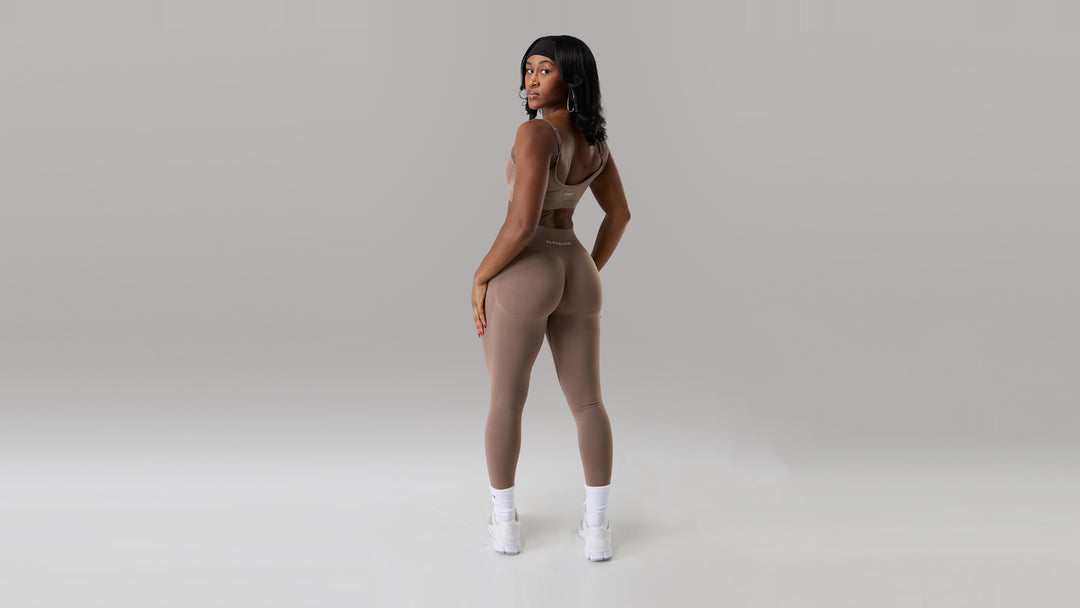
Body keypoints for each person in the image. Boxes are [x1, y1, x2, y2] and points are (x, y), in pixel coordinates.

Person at [471, 35, 631, 561]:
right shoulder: (595, 143)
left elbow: (521, 225)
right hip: (576, 267)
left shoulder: (536, 133)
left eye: (545, 70)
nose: (532, 80)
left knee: (506, 399)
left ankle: (504, 523)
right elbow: (619, 214)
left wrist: (480, 277)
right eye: (528, 69)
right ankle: (598, 528)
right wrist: (586, 269)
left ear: (572, 77)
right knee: (588, 402)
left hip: (527, 270)